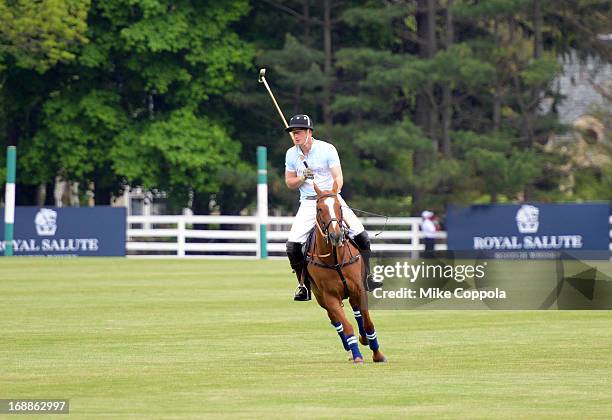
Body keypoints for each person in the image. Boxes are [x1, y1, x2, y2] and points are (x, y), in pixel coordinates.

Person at [284, 114, 380, 301]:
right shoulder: (291, 154)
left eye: (299, 132)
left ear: (309, 132)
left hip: (331, 198)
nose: (296, 136)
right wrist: (302, 177)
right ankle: (303, 285)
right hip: (310, 202)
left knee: (362, 236)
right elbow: (289, 182)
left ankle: (368, 276)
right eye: (294, 133)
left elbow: (338, 177)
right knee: (292, 246)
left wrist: (333, 194)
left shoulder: (327, 149)